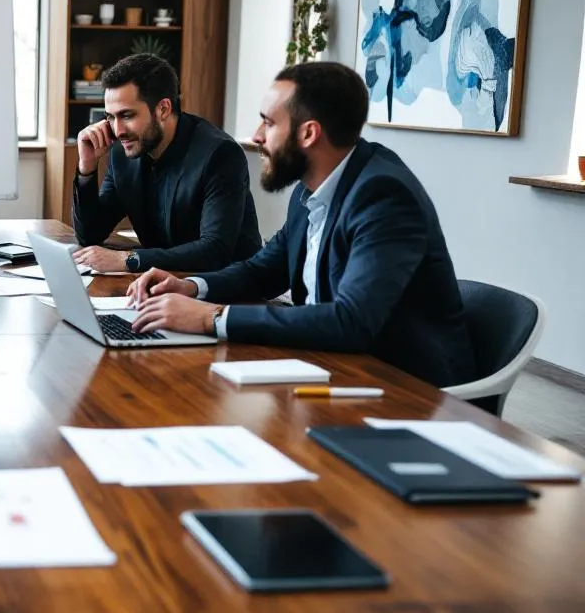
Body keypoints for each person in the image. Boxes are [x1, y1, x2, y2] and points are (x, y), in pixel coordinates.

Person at [126, 61, 475, 388]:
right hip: (330, 363)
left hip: (404, 387)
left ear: (308, 133)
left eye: (269, 122)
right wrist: (191, 287)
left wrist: (211, 318)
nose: (257, 135)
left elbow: (351, 321)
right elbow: (263, 270)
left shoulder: (383, 196)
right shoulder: (310, 189)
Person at [72, 53, 261, 273]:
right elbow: (90, 234)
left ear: (163, 109)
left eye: (127, 115)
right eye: (111, 117)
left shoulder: (220, 155)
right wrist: (87, 166)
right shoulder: (122, 152)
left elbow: (215, 250)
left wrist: (128, 259)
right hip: (162, 283)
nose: (118, 130)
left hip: (228, 290)